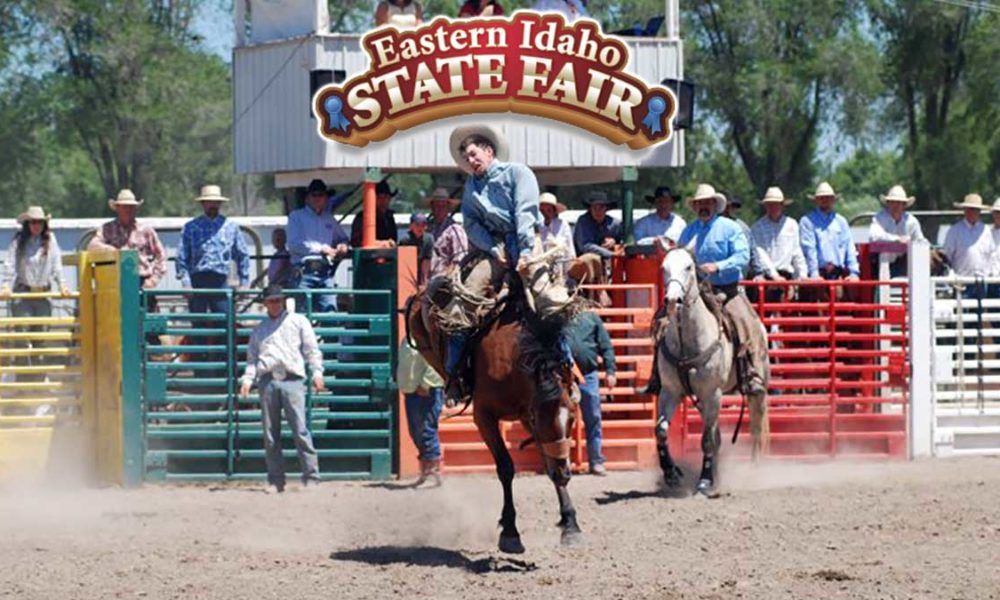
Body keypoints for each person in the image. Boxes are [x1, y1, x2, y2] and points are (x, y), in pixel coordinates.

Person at [438, 124, 573, 403]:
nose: (471, 161)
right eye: (467, 158)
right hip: (494, 250)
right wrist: (493, 247)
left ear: (489, 151)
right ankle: (454, 375)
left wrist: (524, 252)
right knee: (463, 304)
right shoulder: (471, 188)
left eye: (474, 154)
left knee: (547, 298)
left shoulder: (518, 173)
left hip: (526, 243)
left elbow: (525, 212)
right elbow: (471, 223)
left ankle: (565, 361)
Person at [646, 183, 766, 396]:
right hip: (697, 291)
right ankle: (658, 374)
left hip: (727, 290)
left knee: (745, 322)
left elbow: (742, 256)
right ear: (695, 206)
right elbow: (680, 256)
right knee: (663, 323)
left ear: (715, 205)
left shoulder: (730, 228)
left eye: (707, 203)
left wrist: (719, 266)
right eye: (700, 203)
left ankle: (751, 372)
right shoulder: (689, 231)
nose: (703, 206)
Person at [239, 284, 325, 494]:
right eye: (271, 301)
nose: (275, 304)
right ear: (266, 304)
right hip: (268, 380)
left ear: (283, 301)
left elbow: (311, 350)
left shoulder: (299, 322)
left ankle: (311, 477)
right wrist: (248, 379)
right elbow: (252, 359)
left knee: (300, 431)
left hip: (292, 379)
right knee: (270, 435)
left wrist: (317, 372)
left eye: (278, 300)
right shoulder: (259, 330)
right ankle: (276, 480)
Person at [0, 206, 71, 386]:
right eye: (33, 222)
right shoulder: (19, 240)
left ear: (44, 224)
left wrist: (62, 284)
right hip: (23, 293)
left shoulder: (50, 240)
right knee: (22, 337)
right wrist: (6, 286)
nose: (36, 225)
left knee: (41, 338)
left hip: (43, 294)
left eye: (40, 222)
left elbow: (57, 264)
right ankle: (24, 380)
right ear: (27, 223)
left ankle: (38, 379)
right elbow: (10, 264)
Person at [176, 185, 251, 313]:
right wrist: (186, 283)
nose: (213, 205)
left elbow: (242, 255)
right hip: (197, 280)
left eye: (216, 202)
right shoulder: (191, 227)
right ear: (203, 204)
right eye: (209, 202)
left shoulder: (231, 227)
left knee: (225, 321)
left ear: (220, 204)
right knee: (198, 323)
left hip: (220, 278)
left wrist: (244, 282)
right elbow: (182, 257)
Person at [287, 178, 351, 313]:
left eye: (321, 195)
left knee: (331, 313)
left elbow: (343, 238)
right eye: (314, 195)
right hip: (304, 272)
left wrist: (342, 245)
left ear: (326, 198)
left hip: (325, 272)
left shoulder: (328, 218)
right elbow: (293, 245)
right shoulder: (296, 217)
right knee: (302, 317)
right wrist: (321, 248)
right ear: (307, 198)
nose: (318, 198)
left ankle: (330, 334)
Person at [566, 310, 616, 476]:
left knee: (593, 418)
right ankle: (562, 462)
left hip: (587, 375)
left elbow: (606, 345)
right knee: (561, 420)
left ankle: (596, 461)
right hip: (563, 376)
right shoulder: (557, 317)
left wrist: (610, 371)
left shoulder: (591, 318)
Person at [88, 189, 167, 292]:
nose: (128, 210)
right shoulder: (107, 229)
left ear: (135, 209)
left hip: (141, 281)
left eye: (131, 207)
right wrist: (112, 250)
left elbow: (161, 255)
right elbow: (92, 246)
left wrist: (153, 280)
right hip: (114, 282)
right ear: (117, 208)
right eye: (125, 207)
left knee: (144, 307)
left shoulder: (146, 231)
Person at [396, 339, 445, 486]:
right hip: (411, 390)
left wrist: (426, 384)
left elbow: (435, 363)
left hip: (427, 390)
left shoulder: (428, 337)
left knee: (427, 429)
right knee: (416, 431)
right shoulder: (408, 339)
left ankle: (433, 471)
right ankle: (426, 471)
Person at [750, 186, 807, 302]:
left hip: (786, 275)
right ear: (765, 206)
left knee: (789, 313)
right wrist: (774, 275)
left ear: (782, 205)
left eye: (776, 204)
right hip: (767, 276)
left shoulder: (792, 225)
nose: (773, 207)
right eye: (770, 204)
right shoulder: (757, 227)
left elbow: (796, 251)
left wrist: (803, 273)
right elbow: (760, 253)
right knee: (766, 311)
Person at [799, 181, 860, 283]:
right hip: (816, 273)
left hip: (837, 273)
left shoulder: (841, 221)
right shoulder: (807, 221)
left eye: (828, 197)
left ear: (833, 200)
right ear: (816, 200)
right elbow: (809, 249)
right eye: (821, 197)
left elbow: (849, 247)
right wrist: (814, 274)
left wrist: (854, 273)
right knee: (814, 298)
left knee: (839, 297)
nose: (825, 200)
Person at [943, 193, 995, 299]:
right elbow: (947, 257)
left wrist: (990, 274)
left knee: (980, 313)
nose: (973, 212)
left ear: (980, 212)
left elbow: (991, 255)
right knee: (962, 313)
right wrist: (952, 276)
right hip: (962, 281)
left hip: (982, 281)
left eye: (976, 210)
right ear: (965, 210)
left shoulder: (986, 231)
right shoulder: (955, 231)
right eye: (970, 209)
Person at [868, 185, 926, 278]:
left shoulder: (911, 221)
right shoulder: (880, 217)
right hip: (879, 263)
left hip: (904, 263)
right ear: (888, 204)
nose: (896, 205)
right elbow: (874, 236)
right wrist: (897, 239)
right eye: (893, 202)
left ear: (904, 205)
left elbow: (920, 241)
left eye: (900, 202)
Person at [427, 187, 468, 278]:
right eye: (436, 206)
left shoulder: (455, 230)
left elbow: (461, 256)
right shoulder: (428, 229)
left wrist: (447, 276)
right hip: (426, 277)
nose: (439, 209)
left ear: (448, 208)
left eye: (443, 206)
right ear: (432, 208)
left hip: (444, 278)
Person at [721, 193, 763, 279]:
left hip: (736, 278)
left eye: (729, 207)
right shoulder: (708, 227)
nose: (726, 210)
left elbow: (752, 252)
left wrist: (758, 273)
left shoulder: (742, 227)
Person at [573, 191, 622, 259]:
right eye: (594, 207)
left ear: (606, 208)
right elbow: (585, 246)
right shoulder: (583, 222)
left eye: (601, 207)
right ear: (590, 209)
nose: (598, 211)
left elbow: (624, 240)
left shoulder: (614, 223)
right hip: (585, 264)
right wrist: (611, 254)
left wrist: (614, 241)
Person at [350, 180, 398, 249]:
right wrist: (379, 244)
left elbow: (393, 239)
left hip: (389, 256)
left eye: (387, 197)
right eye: (380, 198)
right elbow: (356, 241)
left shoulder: (389, 217)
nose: (384, 201)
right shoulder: (362, 217)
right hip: (368, 257)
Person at [539, 192, 575, 265]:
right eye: (542, 211)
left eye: (549, 210)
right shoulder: (537, 227)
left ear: (554, 211)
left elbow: (569, 246)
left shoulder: (562, 225)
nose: (545, 214)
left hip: (561, 263)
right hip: (541, 264)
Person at [400, 213, 434, 285]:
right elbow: (403, 264)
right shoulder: (405, 240)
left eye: (423, 225)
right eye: (417, 225)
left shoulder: (428, 239)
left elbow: (426, 261)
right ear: (411, 226)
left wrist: (424, 282)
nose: (420, 227)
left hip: (421, 270)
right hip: (407, 271)